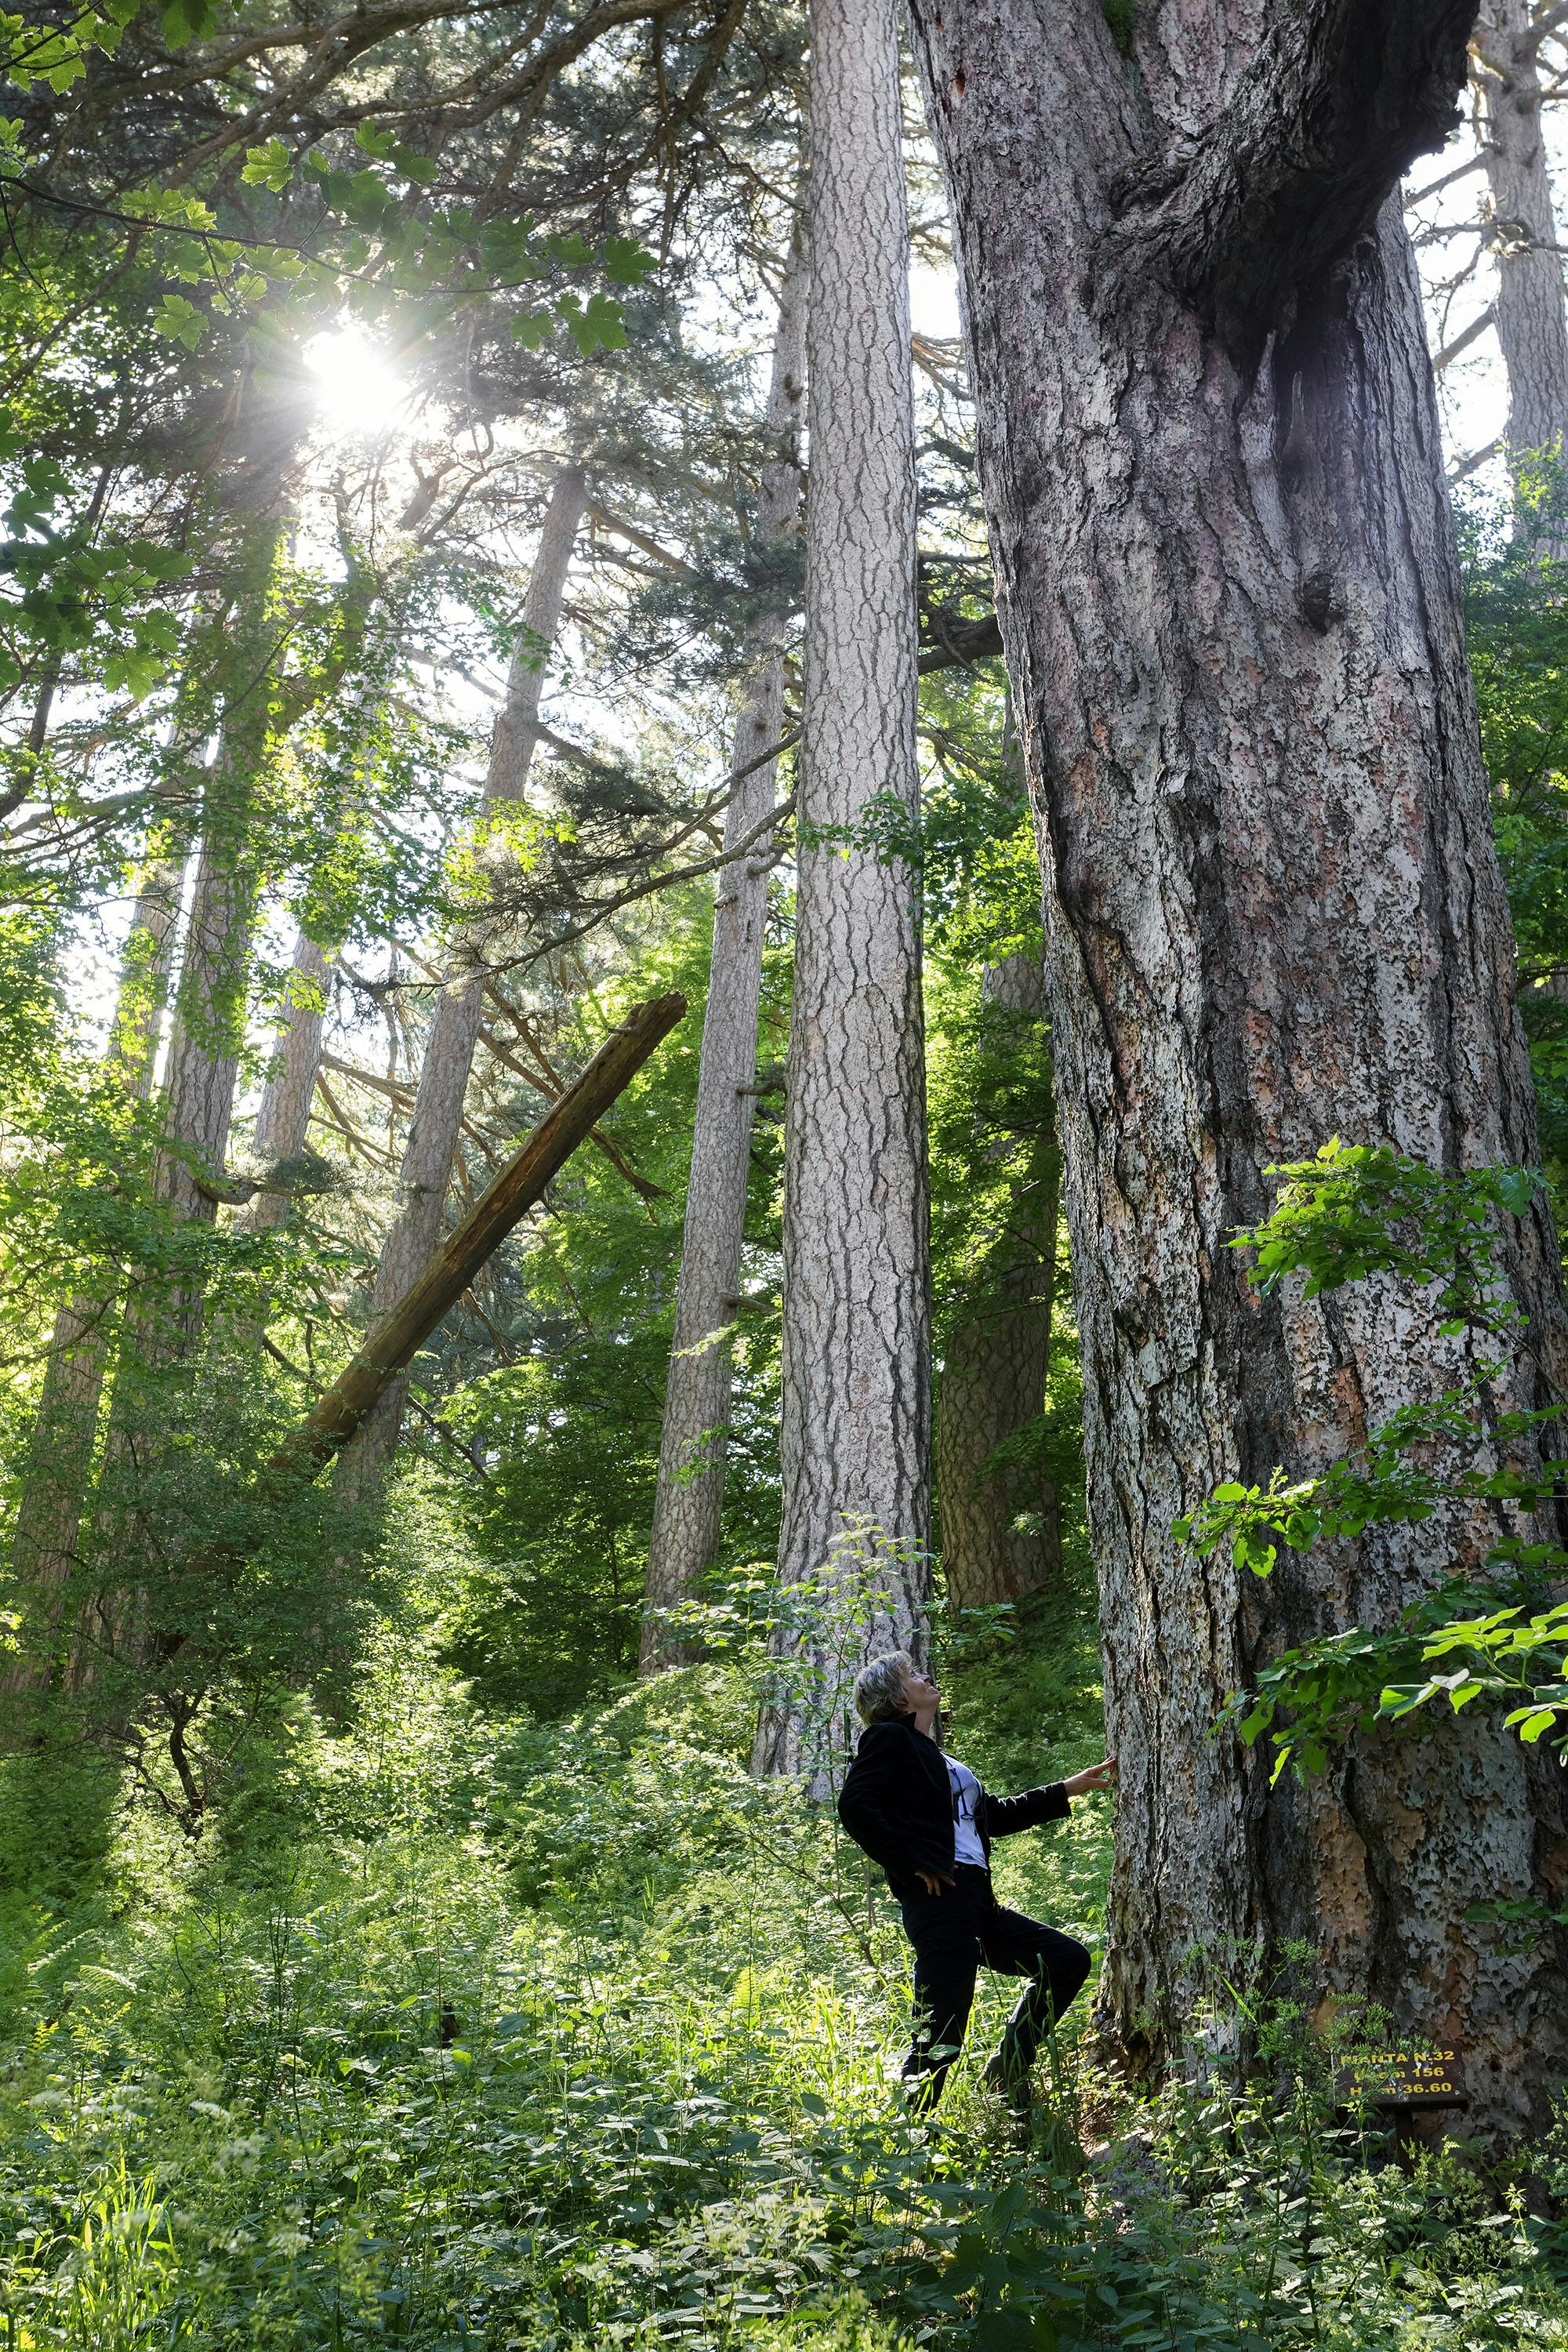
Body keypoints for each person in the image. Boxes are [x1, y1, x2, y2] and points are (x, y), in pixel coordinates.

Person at [837, 1649, 1116, 2114]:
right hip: (940, 1901)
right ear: (898, 1697)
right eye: (912, 1674)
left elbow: (993, 1816)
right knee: (942, 2030)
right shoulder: (888, 1738)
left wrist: (1067, 1788)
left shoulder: (936, 1757)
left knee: (1065, 1961)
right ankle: (911, 2141)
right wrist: (911, 1864)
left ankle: (1005, 2073)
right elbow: (855, 1805)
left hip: (977, 1901)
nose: (925, 1676)